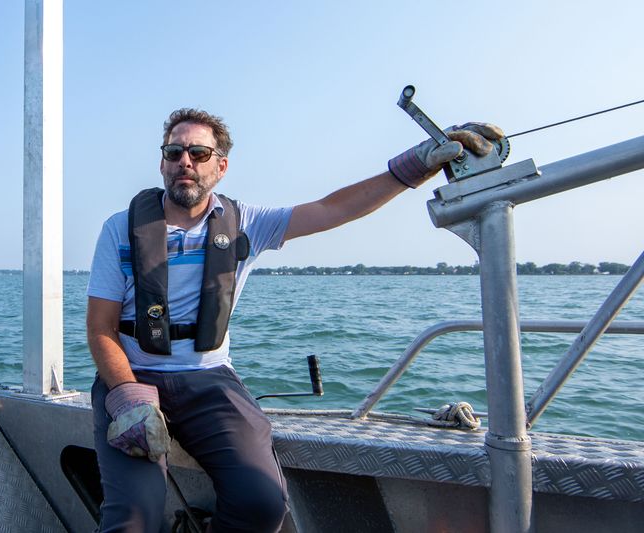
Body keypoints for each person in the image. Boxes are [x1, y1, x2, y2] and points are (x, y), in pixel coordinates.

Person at [86, 108, 503, 533]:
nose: (185, 162)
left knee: (262, 504)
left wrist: (417, 164)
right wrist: (127, 394)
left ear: (221, 166)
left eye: (199, 152)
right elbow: (101, 327)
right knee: (131, 521)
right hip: (132, 377)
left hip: (208, 379)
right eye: (174, 152)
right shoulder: (120, 230)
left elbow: (334, 207)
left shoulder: (248, 223)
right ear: (162, 162)